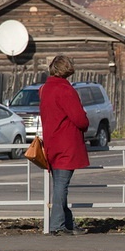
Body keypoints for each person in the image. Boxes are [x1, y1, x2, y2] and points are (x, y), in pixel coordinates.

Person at [39, 55, 90, 235]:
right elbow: (80, 119)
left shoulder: (45, 89)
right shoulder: (65, 90)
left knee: (60, 184)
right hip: (66, 144)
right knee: (61, 185)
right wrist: (85, 121)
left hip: (52, 143)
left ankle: (67, 223)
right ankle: (57, 225)